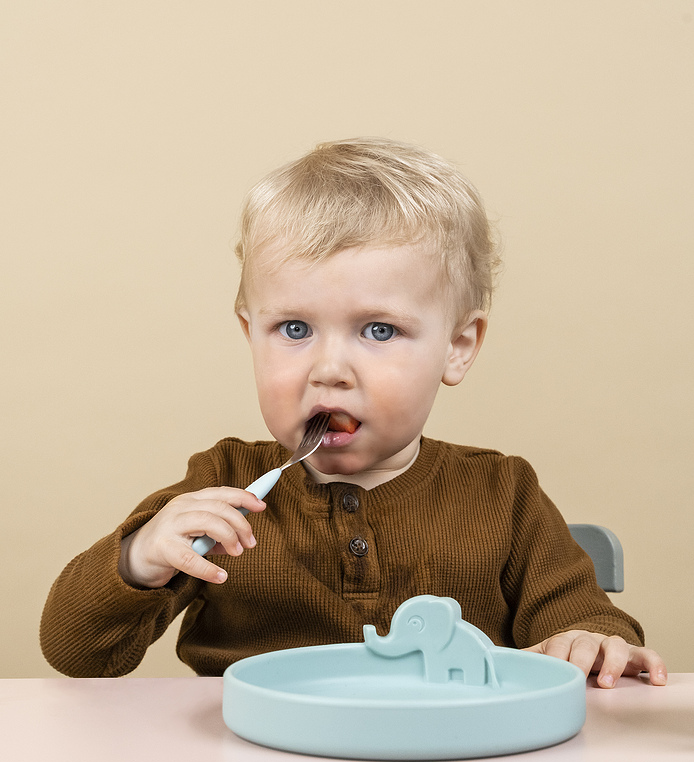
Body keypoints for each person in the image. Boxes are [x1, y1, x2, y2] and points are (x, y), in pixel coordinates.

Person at [41, 137, 667, 688]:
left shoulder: (503, 494)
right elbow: (77, 653)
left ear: (457, 346)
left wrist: (590, 641)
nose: (329, 367)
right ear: (248, 333)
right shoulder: (219, 484)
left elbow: (584, 620)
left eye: (378, 330)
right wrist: (139, 559)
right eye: (293, 328)